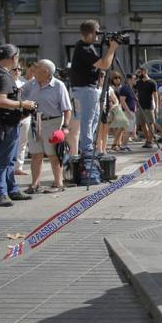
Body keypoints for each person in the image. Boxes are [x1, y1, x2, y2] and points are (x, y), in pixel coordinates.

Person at [0, 44, 36, 206]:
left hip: (2, 123)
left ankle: (11, 189)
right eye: (18, 57)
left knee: (10, 159)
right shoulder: (2, 76)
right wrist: (23, 104)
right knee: (2, 160)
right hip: (3, 124)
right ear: (13, 57)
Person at [68, 20, 120, 156]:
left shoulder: (85, 46)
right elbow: (104, 64)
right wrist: (112, 48)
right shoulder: (83, 48)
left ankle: (89, 147)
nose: (98, 35)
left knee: (94, 119)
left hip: (88, 88)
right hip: (85, 89)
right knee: (88, 119)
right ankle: (87, 150)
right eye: (97, 32)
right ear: (90, 34)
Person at [20, 59, 72, 194]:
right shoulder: (31, 84)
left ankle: (58, 183)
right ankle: (35, 184)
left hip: (53, 122)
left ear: (46, 72)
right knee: (36, 154)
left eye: (37, 68)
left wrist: (65, 127)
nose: (33, 70)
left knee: (53, 154)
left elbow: (67, 109)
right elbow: (18, 95)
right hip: (35, 122)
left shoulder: (58, 85)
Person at [13, 63, 31, 176]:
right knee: (11, 142)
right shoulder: (6, 82)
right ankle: (9, 166)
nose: (17, 71)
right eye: (15, 69)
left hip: (25, 116)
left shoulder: (24, 83)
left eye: (19, 69)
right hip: (12, 116)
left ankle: (18, 167)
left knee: (23, 142)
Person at [135, 67, 158, 149]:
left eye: (139, 72)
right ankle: (148, 139)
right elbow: (136, 92)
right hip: (140, 106)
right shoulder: (138, 82)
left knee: (150, 123)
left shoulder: (152, 82)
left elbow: (155, 95)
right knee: (142, 124)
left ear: (144, 72)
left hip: (149, 106)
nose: (138, 74)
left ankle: (150, 140)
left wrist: (156, 107)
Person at [109, 72, 129, 152]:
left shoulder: (121, 87)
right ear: (112, 79)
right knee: (120, 126)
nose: (117, 80)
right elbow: (111, 99)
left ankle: (118, 143)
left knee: (122, 127)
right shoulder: (111, 88)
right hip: (114, 108)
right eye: (115, 78)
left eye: (118, 78)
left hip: (121, 108)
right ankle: (115, 144)